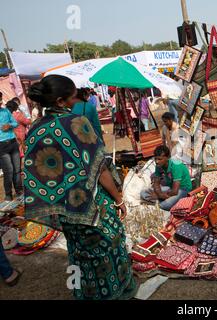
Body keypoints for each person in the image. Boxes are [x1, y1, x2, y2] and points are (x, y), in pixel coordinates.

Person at [25, 75, 137, 300]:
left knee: (78, 251)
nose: (78, 100)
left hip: (64, 208)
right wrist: (119, 199)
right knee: (109, 245)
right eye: (73, 96)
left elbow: (36, 172)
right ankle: (114, 291)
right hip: (91, 204)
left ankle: (84, 292)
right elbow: (100, 168)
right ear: (60, 101)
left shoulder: (35, 129)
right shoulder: (76, 123)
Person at [141, 145, 193, 211]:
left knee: (165, 205)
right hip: (170, 188)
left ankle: (160, 201)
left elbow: (175, 191)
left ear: (168, 157)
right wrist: (159, 193)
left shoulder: (176, 165)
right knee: (143, 193)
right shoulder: (159, 165)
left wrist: (159, 195)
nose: (156, 161)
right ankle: (162, 200)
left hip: (183, 190)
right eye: (155, 159)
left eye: (159, 159)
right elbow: (156, 182)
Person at [0, 92, 22, 201]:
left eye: (0, 99)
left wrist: (10, 125)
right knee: (8, 170)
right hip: (1, 146)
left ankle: (19, 191)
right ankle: (8, 194)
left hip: (12, 142)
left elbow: (15, 123)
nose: (0, 102)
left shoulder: (5, 111)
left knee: (17, 169)